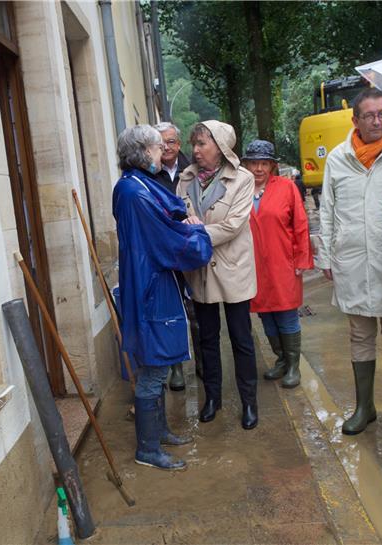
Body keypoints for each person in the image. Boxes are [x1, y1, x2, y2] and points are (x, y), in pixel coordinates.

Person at [316, 87, 382, 437]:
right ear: (356, 119)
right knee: (359, 334)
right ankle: (365, 407)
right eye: (369, 115)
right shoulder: (338, 158)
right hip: (351, 258)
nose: (377, 121)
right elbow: (328, 211)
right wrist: (325, 255)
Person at [113, 125, 212, 471]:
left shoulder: (136, 184)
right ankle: (148, 448)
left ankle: (160, 431)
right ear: (142, 152)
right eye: (158, 148)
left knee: (161, 361)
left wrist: (182, 217)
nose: (162, 153)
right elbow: (167, 239)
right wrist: (196, 232)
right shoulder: (132, 191)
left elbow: (167, 209)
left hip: (153, 282)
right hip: (150, 285)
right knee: (154, 370)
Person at [177, 120, 259, 430]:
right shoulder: (185, 181)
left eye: (202, 144)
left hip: (233, 269)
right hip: (199, 272)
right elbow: (179, 216)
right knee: (206, 338)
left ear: (220, 147)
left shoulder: (242, 179)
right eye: (194, 144)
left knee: (241, 339)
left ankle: (249, 403)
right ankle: (212, 398)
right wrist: (186, 224)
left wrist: (195, 230)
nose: (195, 151)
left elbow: (234, 225)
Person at [243, 140, 313, 388]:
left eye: (264, 163)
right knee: (265, 315)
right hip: (252, 265)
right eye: (254, 163)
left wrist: (302, 258)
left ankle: (294, 365)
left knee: (286, 313)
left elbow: (300, 224)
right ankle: (281, 359)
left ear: (272, 165)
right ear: (247, 165)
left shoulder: (286, 187)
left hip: (283, 260)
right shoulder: (240, 189)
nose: (259, 168)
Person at [153, 122, 197, 391]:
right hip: (163, 250)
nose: (166, 147)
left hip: (189, 248)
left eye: (170, 142)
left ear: (179, 144)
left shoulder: (192, 170)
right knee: (171, 310)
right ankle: (176, 368)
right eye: (161, 143)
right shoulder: (150, 171)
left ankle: (204, 365)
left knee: (198, 310)